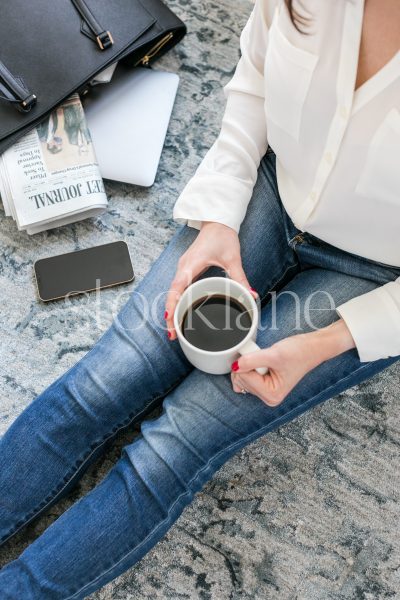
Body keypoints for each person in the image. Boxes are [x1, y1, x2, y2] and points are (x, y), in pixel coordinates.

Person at [0, 0, 399, 597]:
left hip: (375, 276)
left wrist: (324, 344)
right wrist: (218, 216)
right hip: (270, 187)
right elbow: (256, 78)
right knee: (107, 379)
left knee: (177, 443)